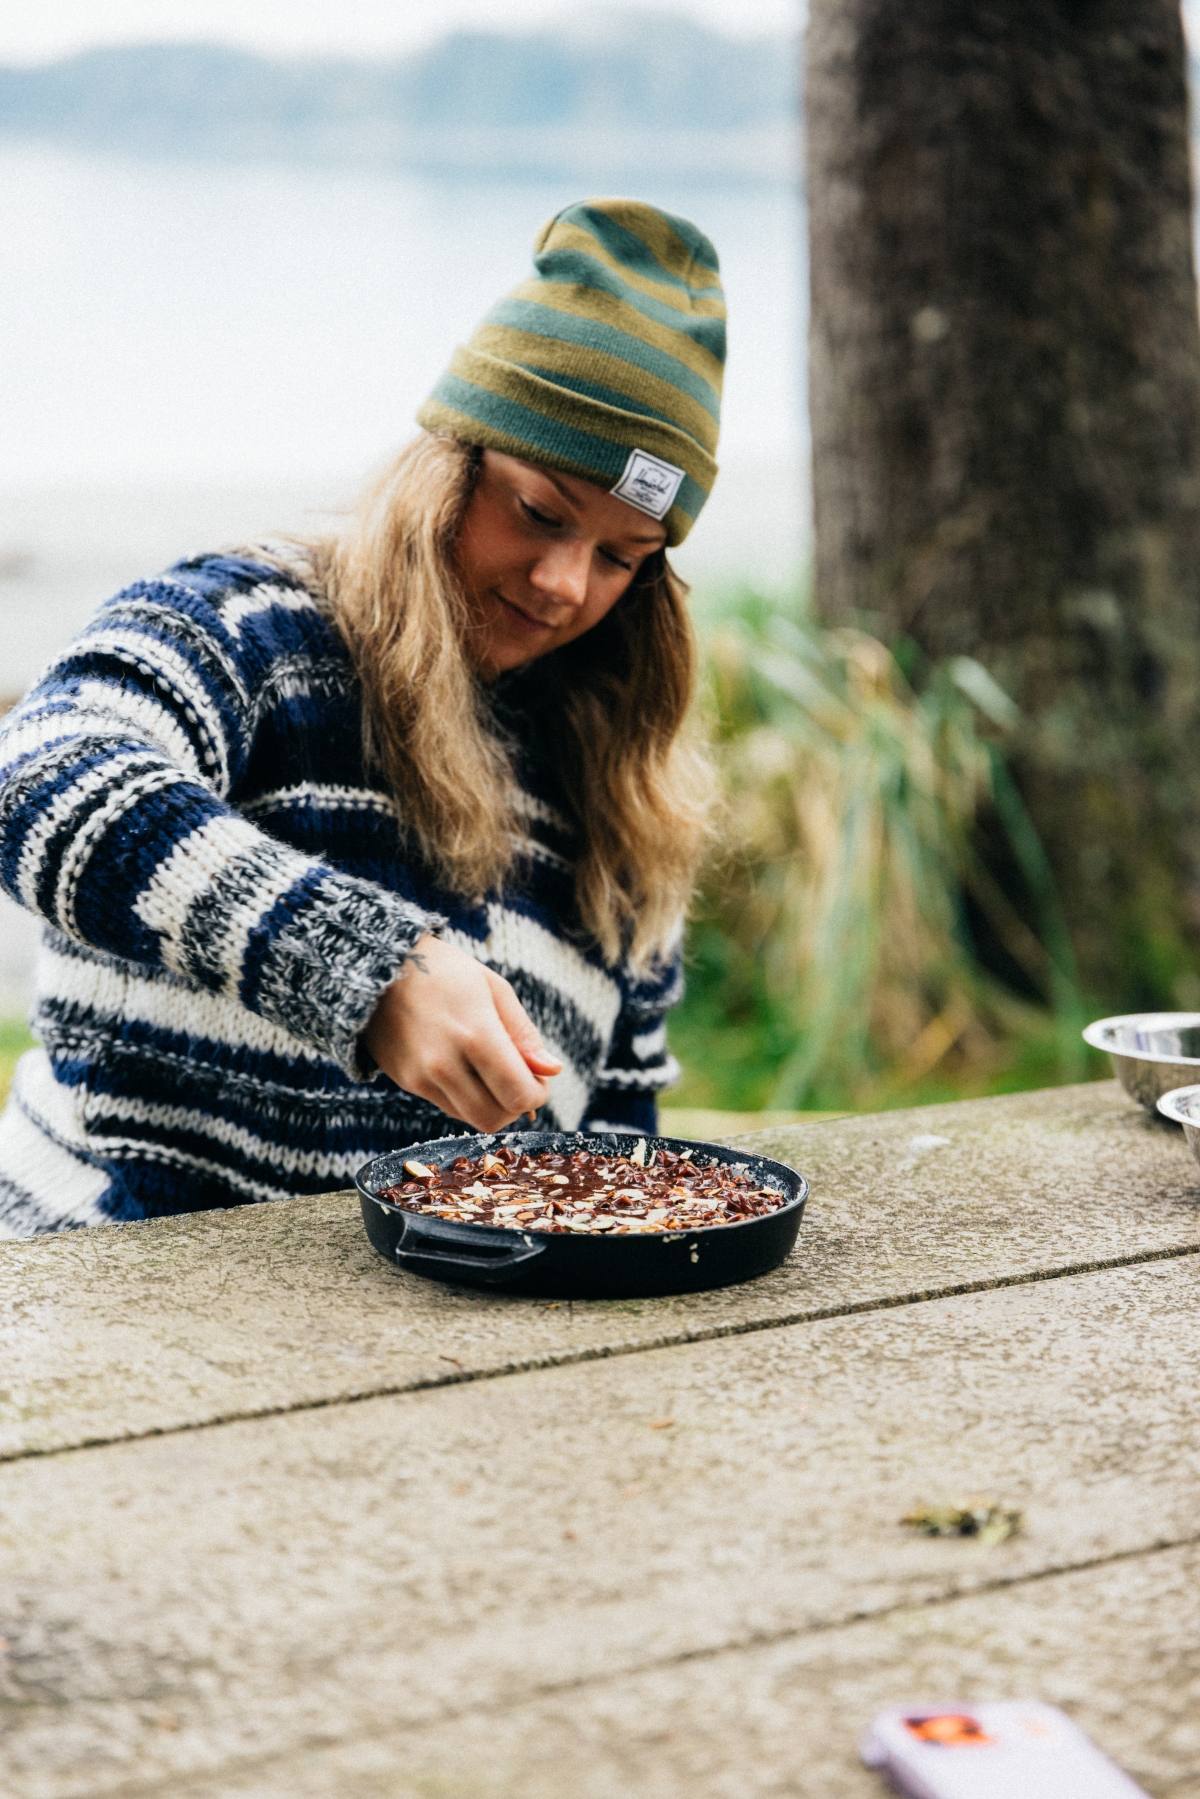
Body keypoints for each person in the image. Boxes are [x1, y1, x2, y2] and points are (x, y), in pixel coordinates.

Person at [0, 196, 725, 1237]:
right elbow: (39, 773)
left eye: (622, 555)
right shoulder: (244, 627)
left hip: (420, 1370)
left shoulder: (617, 797)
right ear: (452, 463)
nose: (567, 583)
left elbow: (614, 1152)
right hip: (99, 1300)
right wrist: (367, 970)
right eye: (540, 510)